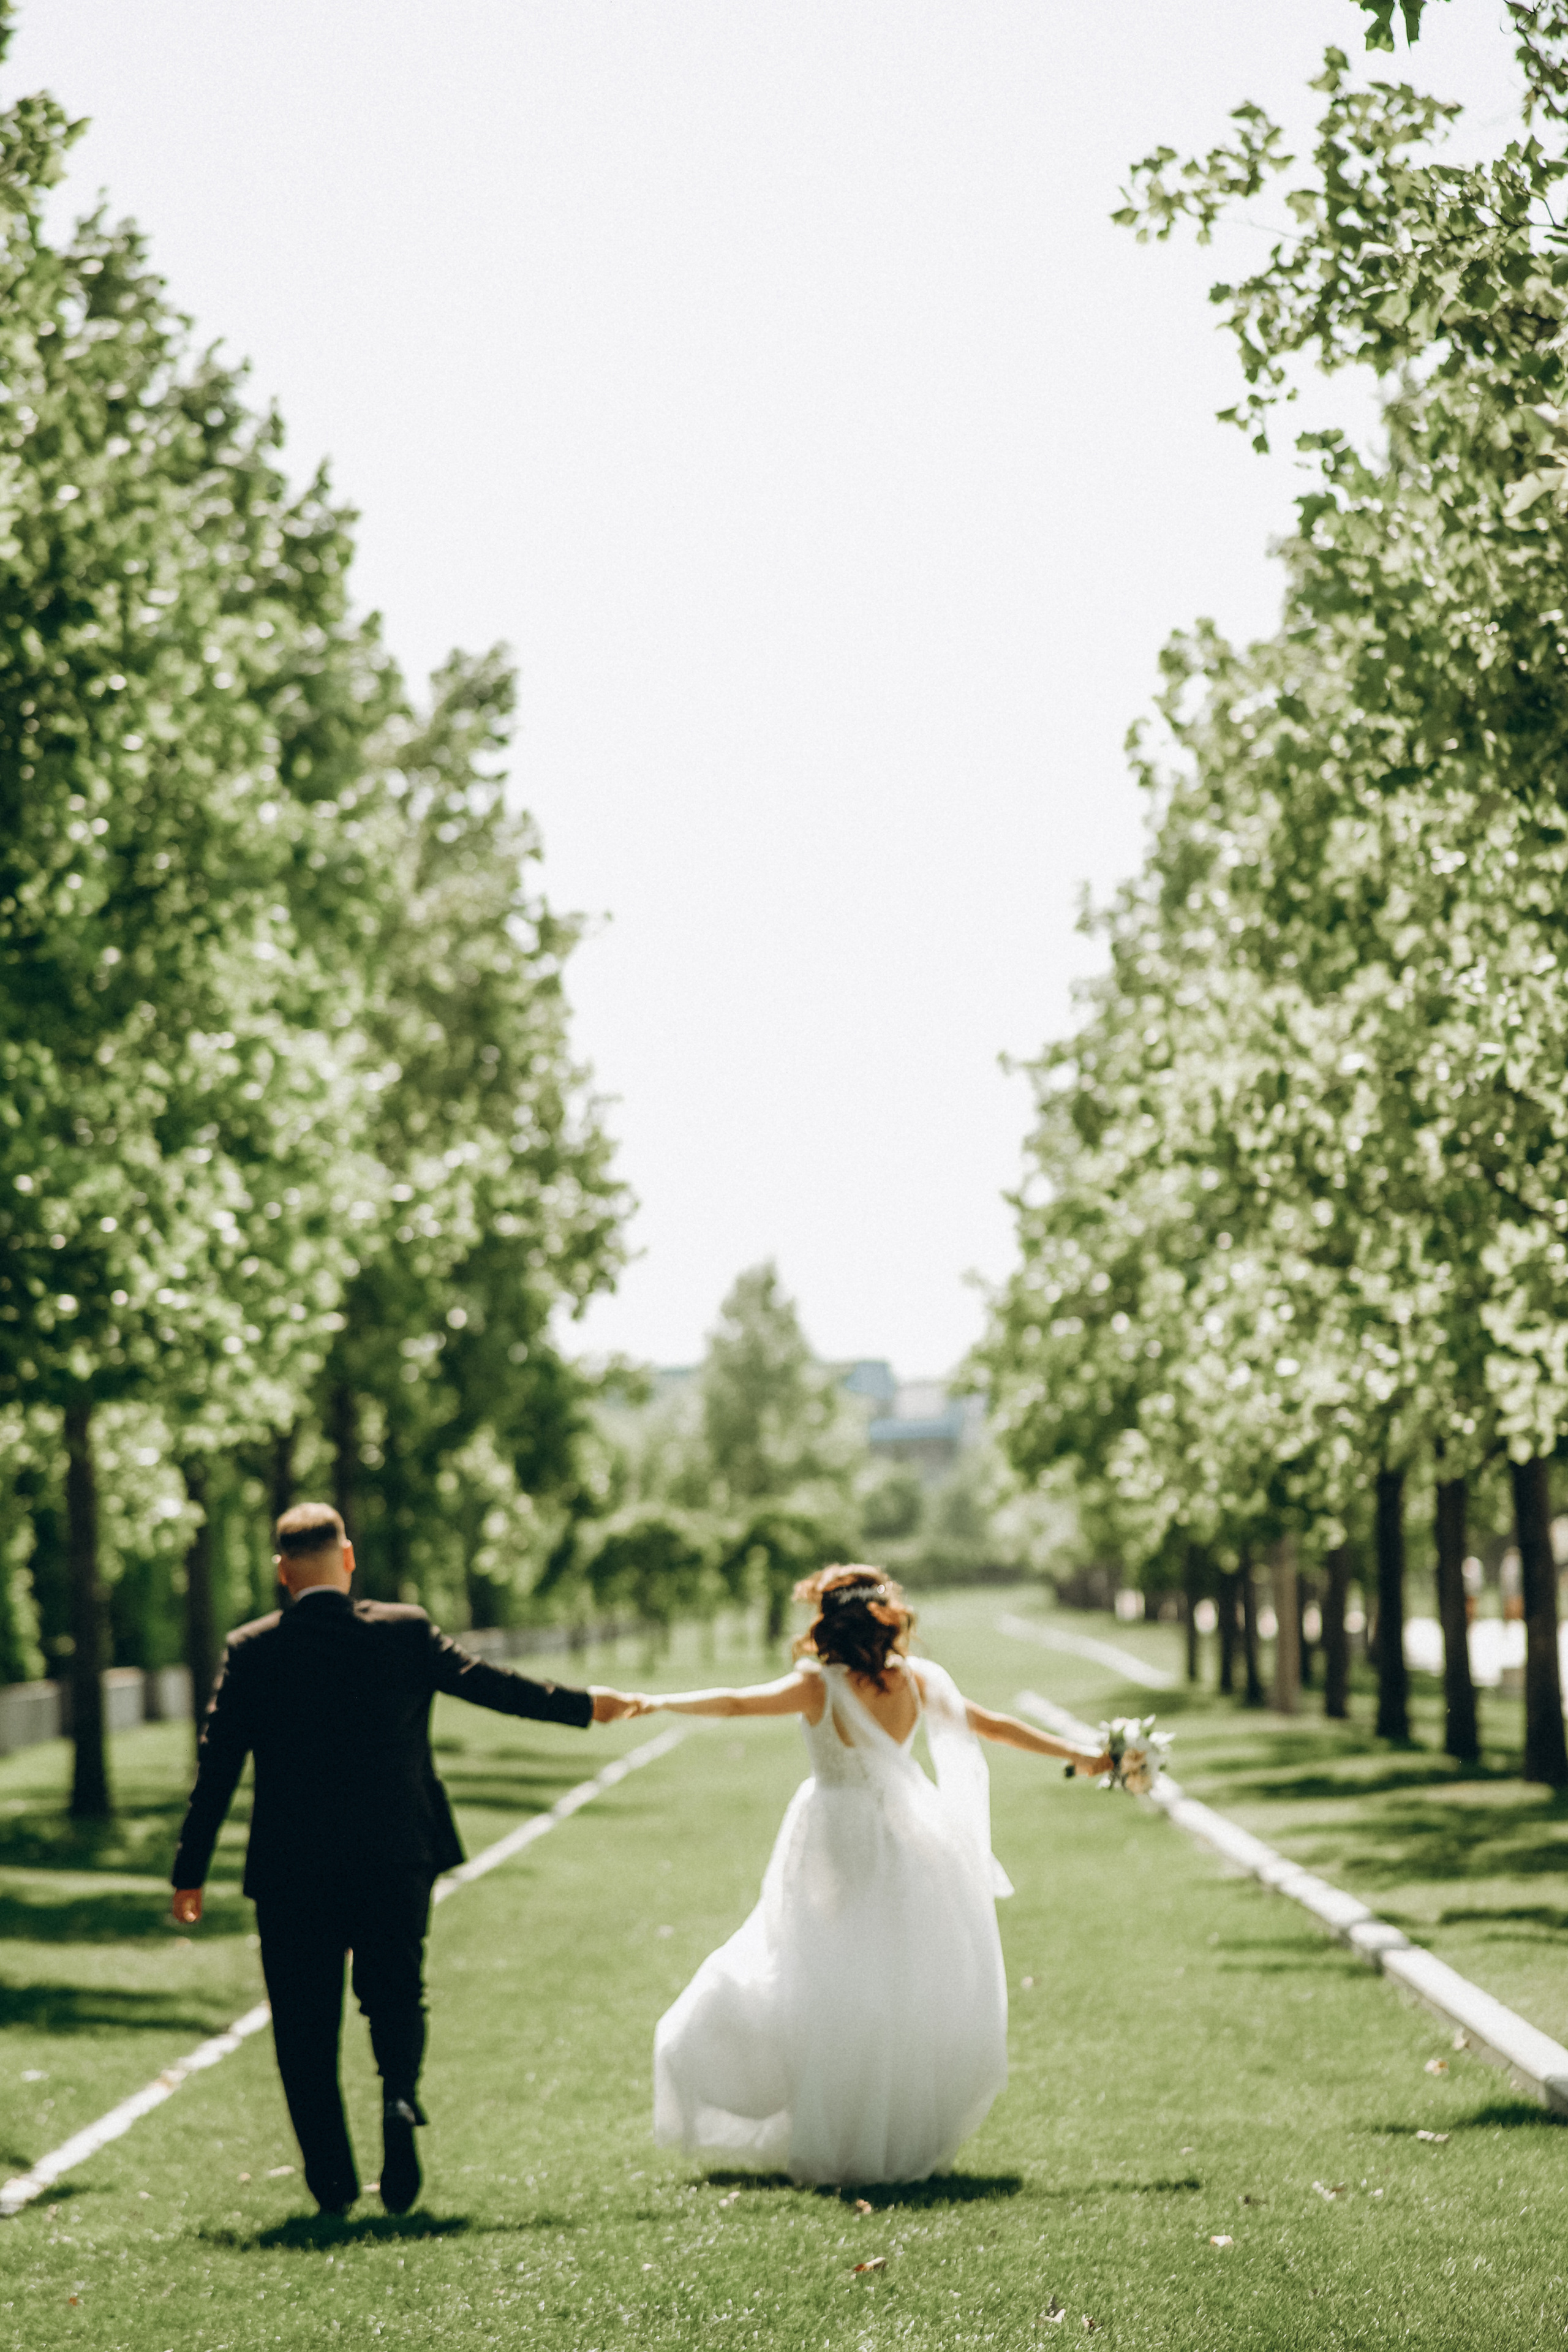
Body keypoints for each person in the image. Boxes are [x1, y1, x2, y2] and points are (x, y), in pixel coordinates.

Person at [168, 1501, 639, 2217]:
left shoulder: (253, 1649)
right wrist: (583, 1705)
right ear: (348, 1558)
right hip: (396, 1852)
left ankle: (332, 2182)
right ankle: (397, 2097)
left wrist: (190, 1872)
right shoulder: (405, 1630)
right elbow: (489, 1684)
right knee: (394, 1993)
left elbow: (218, 1764)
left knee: (303, 2023)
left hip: (294, 1868)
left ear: (282, 1572)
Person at [630, 1565, 1112, 2187]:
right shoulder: (916, 1681)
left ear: (828, 1623)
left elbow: (734, 1701)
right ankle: (879, 2130)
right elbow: (993, 1725)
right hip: (909, 1836)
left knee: (823, 1974)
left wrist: (654, 1701)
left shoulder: (818, 1686)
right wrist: (1081, 1755)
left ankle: (838, 2128)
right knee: (887, 1980)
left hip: (834, 1835)